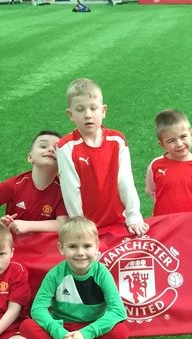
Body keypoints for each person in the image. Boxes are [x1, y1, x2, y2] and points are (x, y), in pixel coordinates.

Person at [19, 216, 129, 339]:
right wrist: (61, 335)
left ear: (97, 247)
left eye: (87, 246)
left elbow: (118, 311)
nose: (80, 253)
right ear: (61, 248)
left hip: (92, 327)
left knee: (121, 332)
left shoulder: (102, 274)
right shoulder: (55, 274)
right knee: (26, 327)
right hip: (62, 327)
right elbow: (37, 309)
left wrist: (86, 334)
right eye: (72, 246)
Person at [57, 78, 148, 250]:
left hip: (118, 221)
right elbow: (71, 190)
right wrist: (81, 228)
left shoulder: (117, 140)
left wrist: (133, 215)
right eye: (80, 109)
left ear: (103, 110)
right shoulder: (66, 147)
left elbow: (125, 180)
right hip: (88, 226)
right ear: (70, 114)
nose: (88, 114)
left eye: (93, 108)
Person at [0, 130, 68, 236]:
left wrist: (27, 226)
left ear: (63, 161)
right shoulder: (14, 185)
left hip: (44, 249)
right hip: (12, 244)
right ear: (30, 157)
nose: (51, 149)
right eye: (43, 146)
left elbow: (63, 224)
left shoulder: (63, 190)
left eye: (56, 148)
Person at [145, 109, 192, 217]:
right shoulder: (155, 165)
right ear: (162, 144)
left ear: (191, 133)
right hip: (163, 220)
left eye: (183, 137)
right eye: (171, 141)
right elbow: (151, 190)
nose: (179, 144)